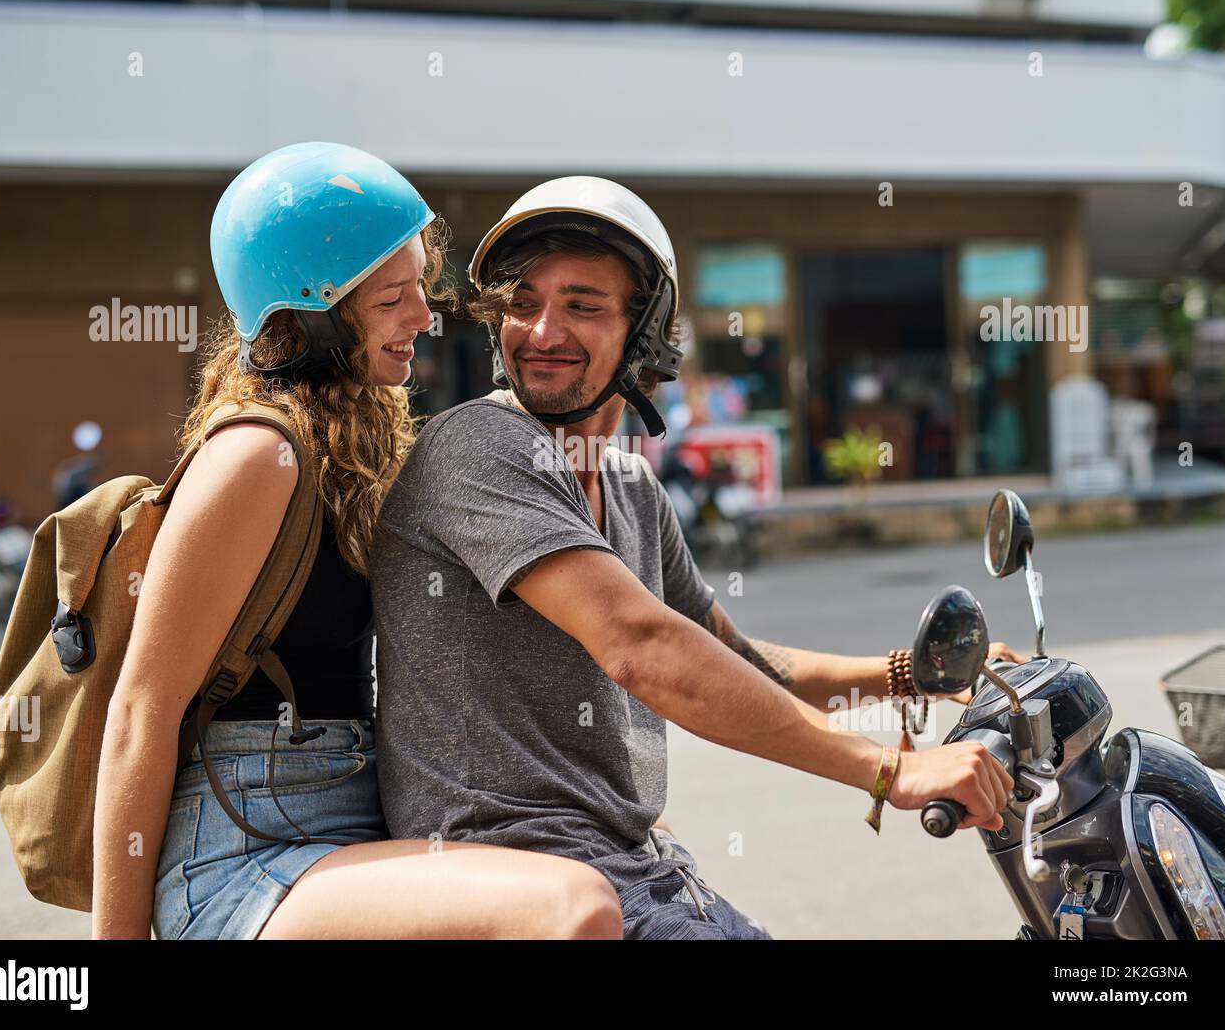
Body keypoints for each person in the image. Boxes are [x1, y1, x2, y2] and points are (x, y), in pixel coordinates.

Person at [368, 176, 1021, 939]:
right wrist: (891, 770)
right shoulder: (478, 447)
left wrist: (909, 676)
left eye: (582, 305)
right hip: (521, 880)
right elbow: (641, 646)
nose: (542, 331)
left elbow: (730, 659)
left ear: (643, 331)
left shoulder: (631, 487)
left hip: (633, 868)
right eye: (522, 303)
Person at [91, 144, 623, 940]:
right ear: (313, 313)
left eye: (421, 291)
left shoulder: (363, 437)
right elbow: (141, 709)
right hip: (244, 851)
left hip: (359, 825)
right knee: (571, 909)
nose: (423, 318)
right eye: (391, 300)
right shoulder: (257, 455)